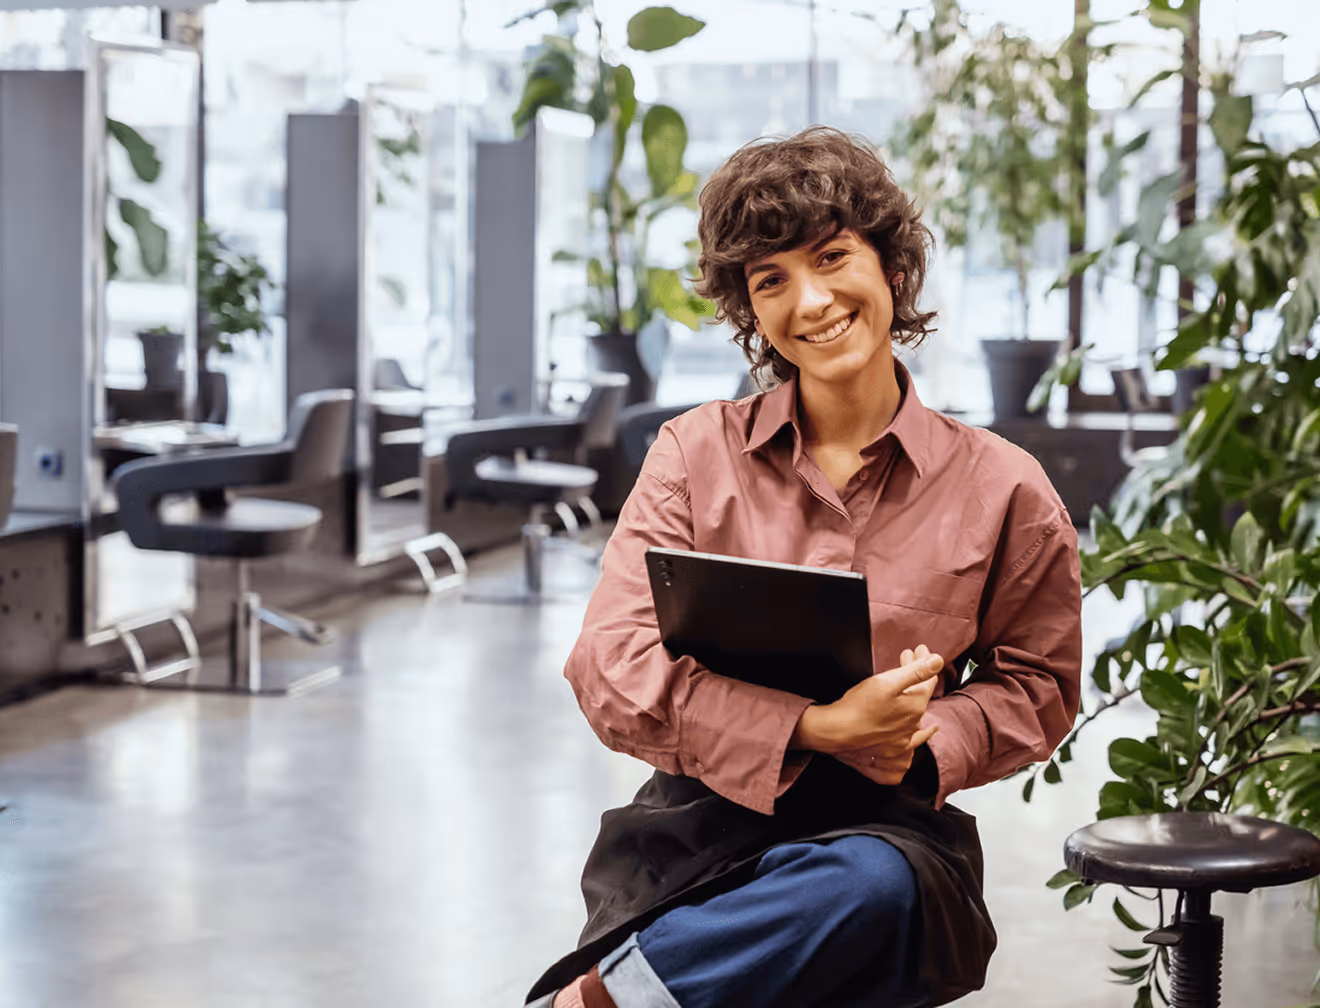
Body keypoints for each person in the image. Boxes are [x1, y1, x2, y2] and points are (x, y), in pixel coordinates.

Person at [524, 126, 1082, 1008]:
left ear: (893, 270)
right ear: (751, 311)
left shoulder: (1005, 487)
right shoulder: (694, 455)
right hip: (694, 838)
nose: (810, 300)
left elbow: (1039, 684)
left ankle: (605, 1002)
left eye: (832, 258)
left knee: (871, 888)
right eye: (770, 280)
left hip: (889, 833)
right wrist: (818, 729)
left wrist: (925, 740)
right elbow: (608, 665)